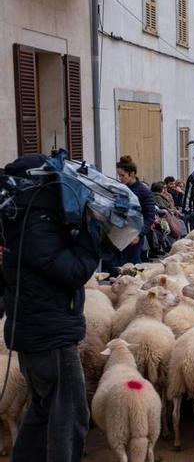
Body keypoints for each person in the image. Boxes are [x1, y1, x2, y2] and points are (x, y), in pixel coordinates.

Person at [0, 154, 100, 462]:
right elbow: (72, 271)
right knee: (70, 417)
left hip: (35, 333)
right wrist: (89, 235)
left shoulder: (19, 223)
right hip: (50, 337)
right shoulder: (35, 227)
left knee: (43, 411)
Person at [115, 156, 156, 265]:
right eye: (119, 176)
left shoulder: (144, 191)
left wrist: (139, 234)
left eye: (122, 175)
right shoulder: (121, 189)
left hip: (134, 235)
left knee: (132, 266)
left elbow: (150, 215)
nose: (120, 178)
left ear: (132, 174)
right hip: (119, 233)